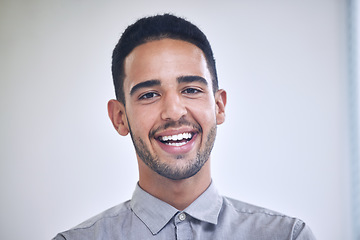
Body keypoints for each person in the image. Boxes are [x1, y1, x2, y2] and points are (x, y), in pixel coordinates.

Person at [53, 14, 316, 240]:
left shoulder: (287, 236)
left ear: (219, 106)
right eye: (149, 95)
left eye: (191, 90)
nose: (174, 112)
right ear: (120, 117)